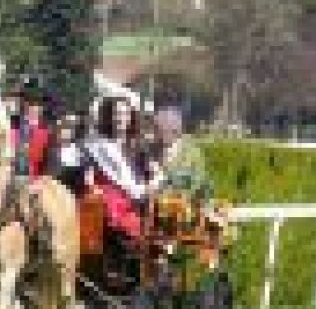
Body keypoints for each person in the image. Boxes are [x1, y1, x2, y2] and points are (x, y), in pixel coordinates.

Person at [85, 96, 156, 274]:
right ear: (109, 116)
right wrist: (92, 185)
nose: (120, 118)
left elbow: (151, 172)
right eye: (116, 113)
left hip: (135, 194)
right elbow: (89, 172)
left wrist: (151, 184)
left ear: (131, 117)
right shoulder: (98, 144)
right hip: (106, 192)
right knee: (109, 205)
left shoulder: (138, 145)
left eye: (124, 113)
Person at [149, 106, 210, 197]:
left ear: (176, 130)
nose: (159, 134)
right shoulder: (152, 150)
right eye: (157, 129)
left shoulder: (192, 153)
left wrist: (166, 182)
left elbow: (198, 184)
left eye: (163, 129)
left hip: (183, 205)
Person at [9, 79, 54, 177]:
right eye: (29, 103)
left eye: (38, 104)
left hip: (34, 181)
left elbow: (47, 164)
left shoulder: (46, 132)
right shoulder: (12, 124)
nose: (34, 108)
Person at [50, 114, 88, 197]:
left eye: (68, 129)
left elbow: (82, 179)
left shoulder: (78, 152)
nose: (65, 133)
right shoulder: (52, 152)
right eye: (62, 129)